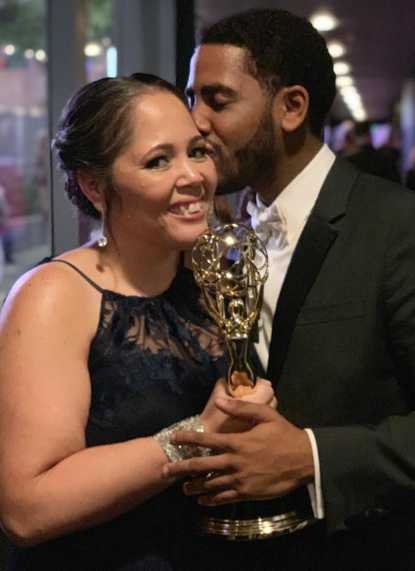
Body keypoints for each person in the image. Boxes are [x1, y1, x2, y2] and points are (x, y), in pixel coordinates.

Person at [164, 8, 415, 571]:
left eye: (217, 100)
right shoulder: (215, 230)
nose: (193, 122)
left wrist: (311, 456)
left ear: (292, 107)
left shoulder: (396, 225)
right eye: (190, 98)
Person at [0, 73, 275, 570]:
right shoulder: (54, 295)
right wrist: (196, 434)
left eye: (196, 151)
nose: (192, 175)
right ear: (94, 186)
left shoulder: (210, 276)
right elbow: (27, 507)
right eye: (158, 161)